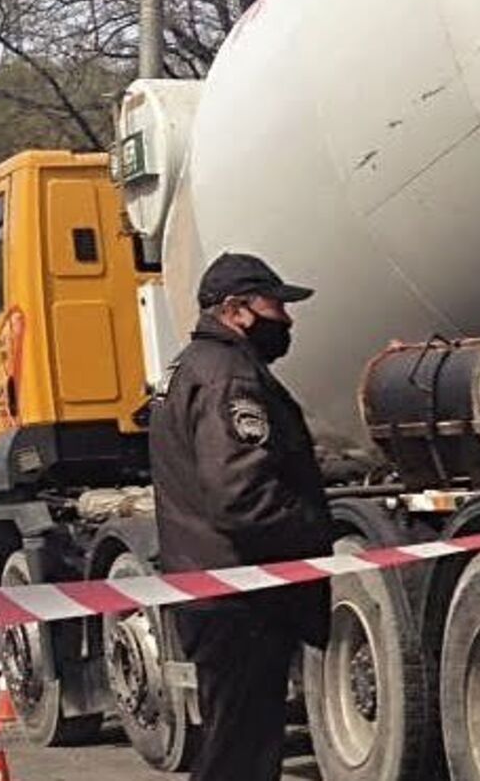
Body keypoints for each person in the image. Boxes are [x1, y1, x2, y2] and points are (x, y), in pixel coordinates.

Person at [150, 253, 331, 781]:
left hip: (213, 588)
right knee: (241, 756)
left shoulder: (191, 365)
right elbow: (241, 496)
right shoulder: (229, 377)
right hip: (241, 597)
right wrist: (319, 527)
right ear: (235, 310)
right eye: (275, 305)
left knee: (234, 747)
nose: (287, 319)